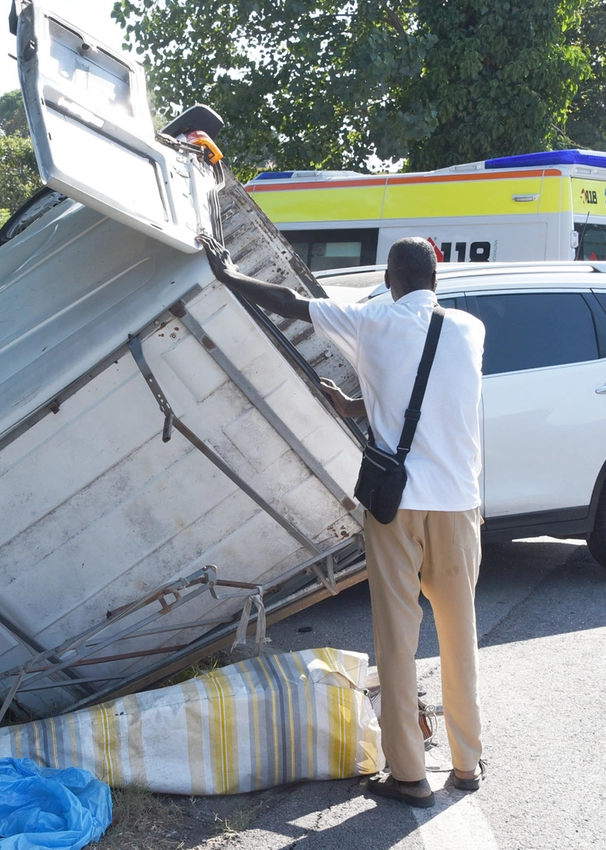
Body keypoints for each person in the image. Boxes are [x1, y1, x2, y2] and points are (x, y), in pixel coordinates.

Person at [199, 234, 486, 808]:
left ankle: (408, 774)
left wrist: (229, 276)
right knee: (459, 635)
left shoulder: (372, 321)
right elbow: (432, 399)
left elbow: (286, 300)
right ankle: (467, 762)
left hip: (395, 506)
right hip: (458, 503)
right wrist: (361, 407)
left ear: (392, 278)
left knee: (397, 638)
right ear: (436, 278)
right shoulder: (470, 330)